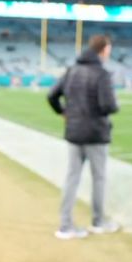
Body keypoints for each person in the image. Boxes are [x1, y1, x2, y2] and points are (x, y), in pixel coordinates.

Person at [48, 35, 121, 239]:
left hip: (74, 131)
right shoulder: (101, 74)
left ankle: (65, 225)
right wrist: (116, 105)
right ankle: (98, 221)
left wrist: (63, 112)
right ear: (103, 50)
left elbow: (51, 96)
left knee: (72, 178)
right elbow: (108, 105)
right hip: (96, 132)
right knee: (98, 178)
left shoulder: (72, 71)